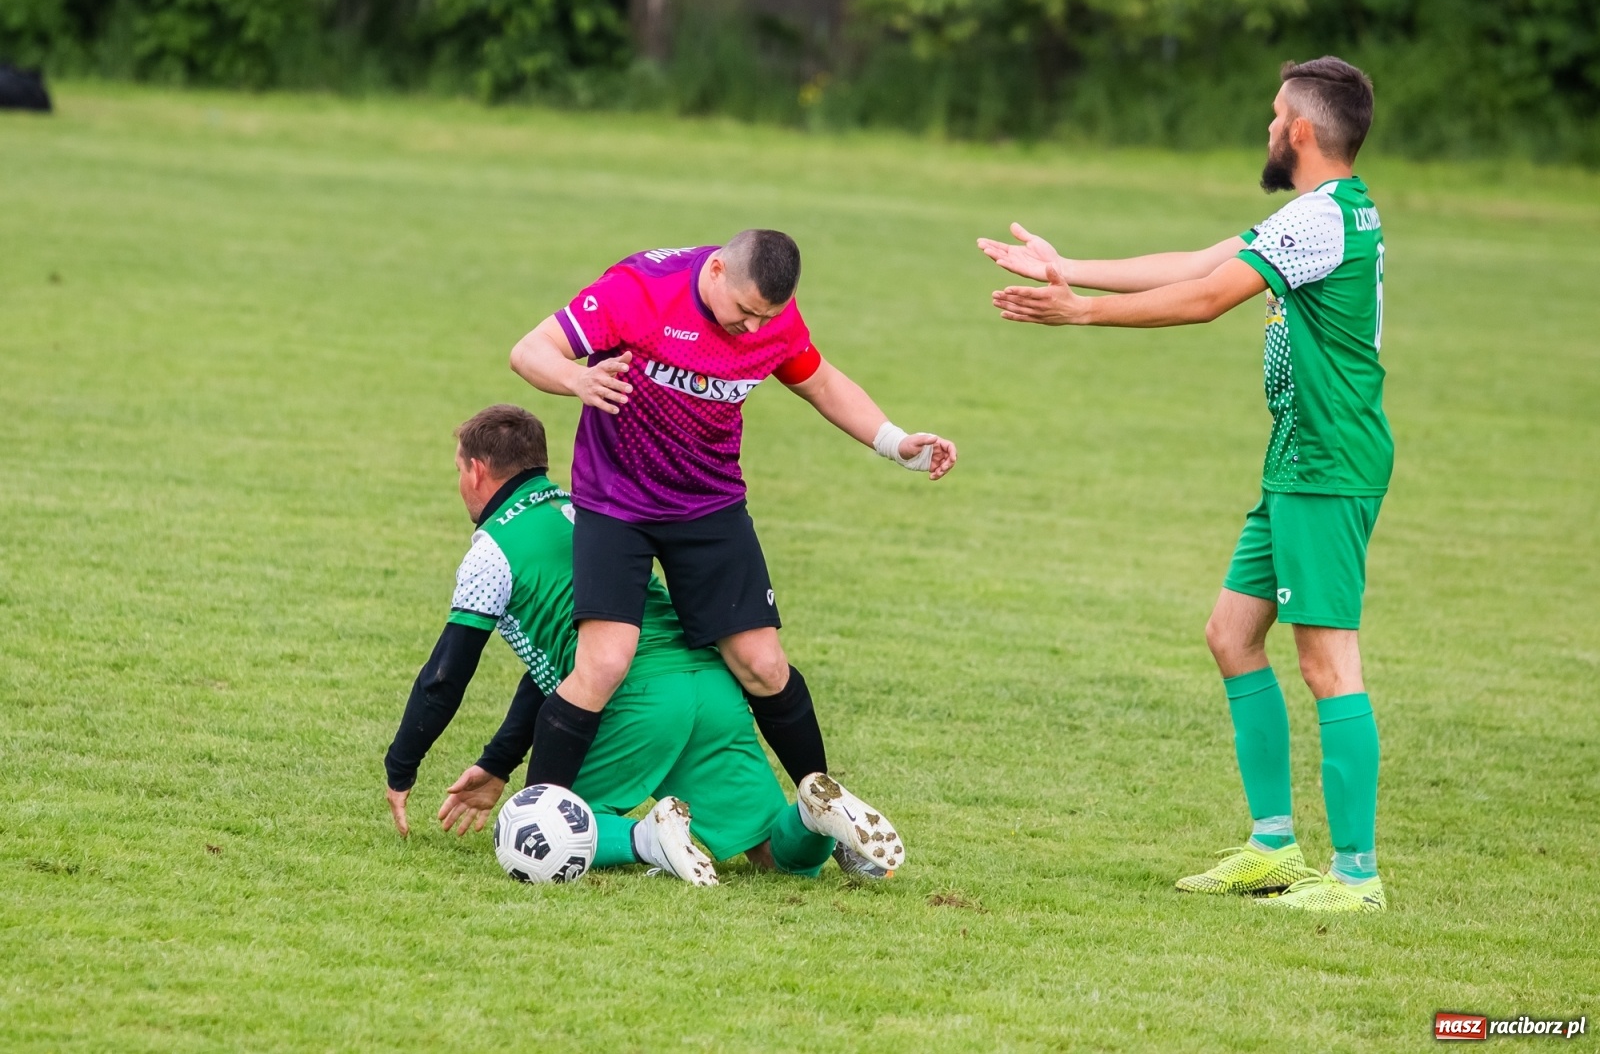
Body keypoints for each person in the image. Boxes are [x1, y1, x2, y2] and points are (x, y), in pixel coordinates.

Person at [979, 57, 1390, 912]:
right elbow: (1203, 259)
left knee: (1327, 661)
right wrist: (1070, 266)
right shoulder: (1320, 213)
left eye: (1276, 116)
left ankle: (1356, 876)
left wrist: (1079, 313)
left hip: (1328, 462)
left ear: (1303, 132)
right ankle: (1274, 845)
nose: (1269, 128)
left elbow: (1207, 298)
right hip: (1298, 459)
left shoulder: (1321, 220)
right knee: (1232, 635)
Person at [505, 230, 957, 798]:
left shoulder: (772, 320)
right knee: (605, 664)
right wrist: (578, 378)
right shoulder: (640, 290)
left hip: (709, 502)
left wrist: (894, 441)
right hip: (617, 500)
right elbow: (528, 350)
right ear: (716, 270)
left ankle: (826, 815)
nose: (754, 329)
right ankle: (535, 816)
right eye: (745, 312)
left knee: (764, 665)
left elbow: (820, 382)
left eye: (766, 317)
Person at [383, 405, 904, 884]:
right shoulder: (596, 515)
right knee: (775, 853)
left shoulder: (491, 549)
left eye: (458, 471)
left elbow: (444, 676)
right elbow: (550, 671)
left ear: (476, 470)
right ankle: (813, 816)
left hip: (635, 696)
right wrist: (497, 762)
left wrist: (401, 768)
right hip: (711, 686)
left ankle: (648, 838)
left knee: (536, 826)